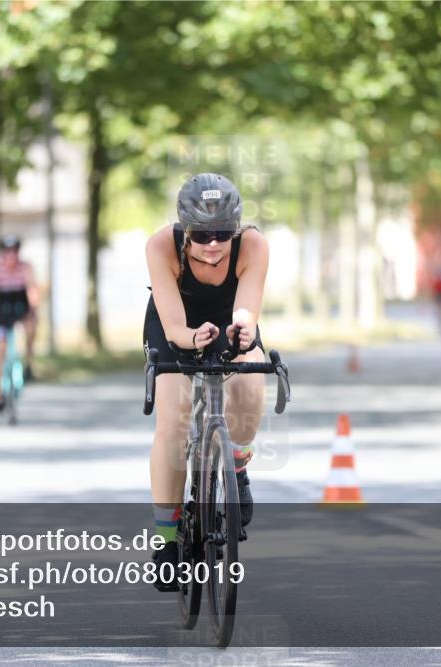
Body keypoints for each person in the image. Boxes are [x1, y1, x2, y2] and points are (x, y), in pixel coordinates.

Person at [143, 173, 268, 591]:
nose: (212, 244)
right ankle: (165, 541)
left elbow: (247, 310)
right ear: (184, 229)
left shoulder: (254, 246)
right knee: (174, 420)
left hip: (231, 323)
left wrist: (242, 333)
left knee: (251, 387)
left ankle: (236, 464)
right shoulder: (161, 246)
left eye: (222, 234)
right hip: (175, 323)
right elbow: (176, 325)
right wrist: (190, 339)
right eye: (200, 234)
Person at [0, 235, 40, 411]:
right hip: (2, 310)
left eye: (14, 252)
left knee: (31, 330)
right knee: (0, 351)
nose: (11, 256)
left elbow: (32, 289)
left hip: (21, 308)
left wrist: (33, 310)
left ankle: (28, 363)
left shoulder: (25, 267)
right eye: (7, 252)